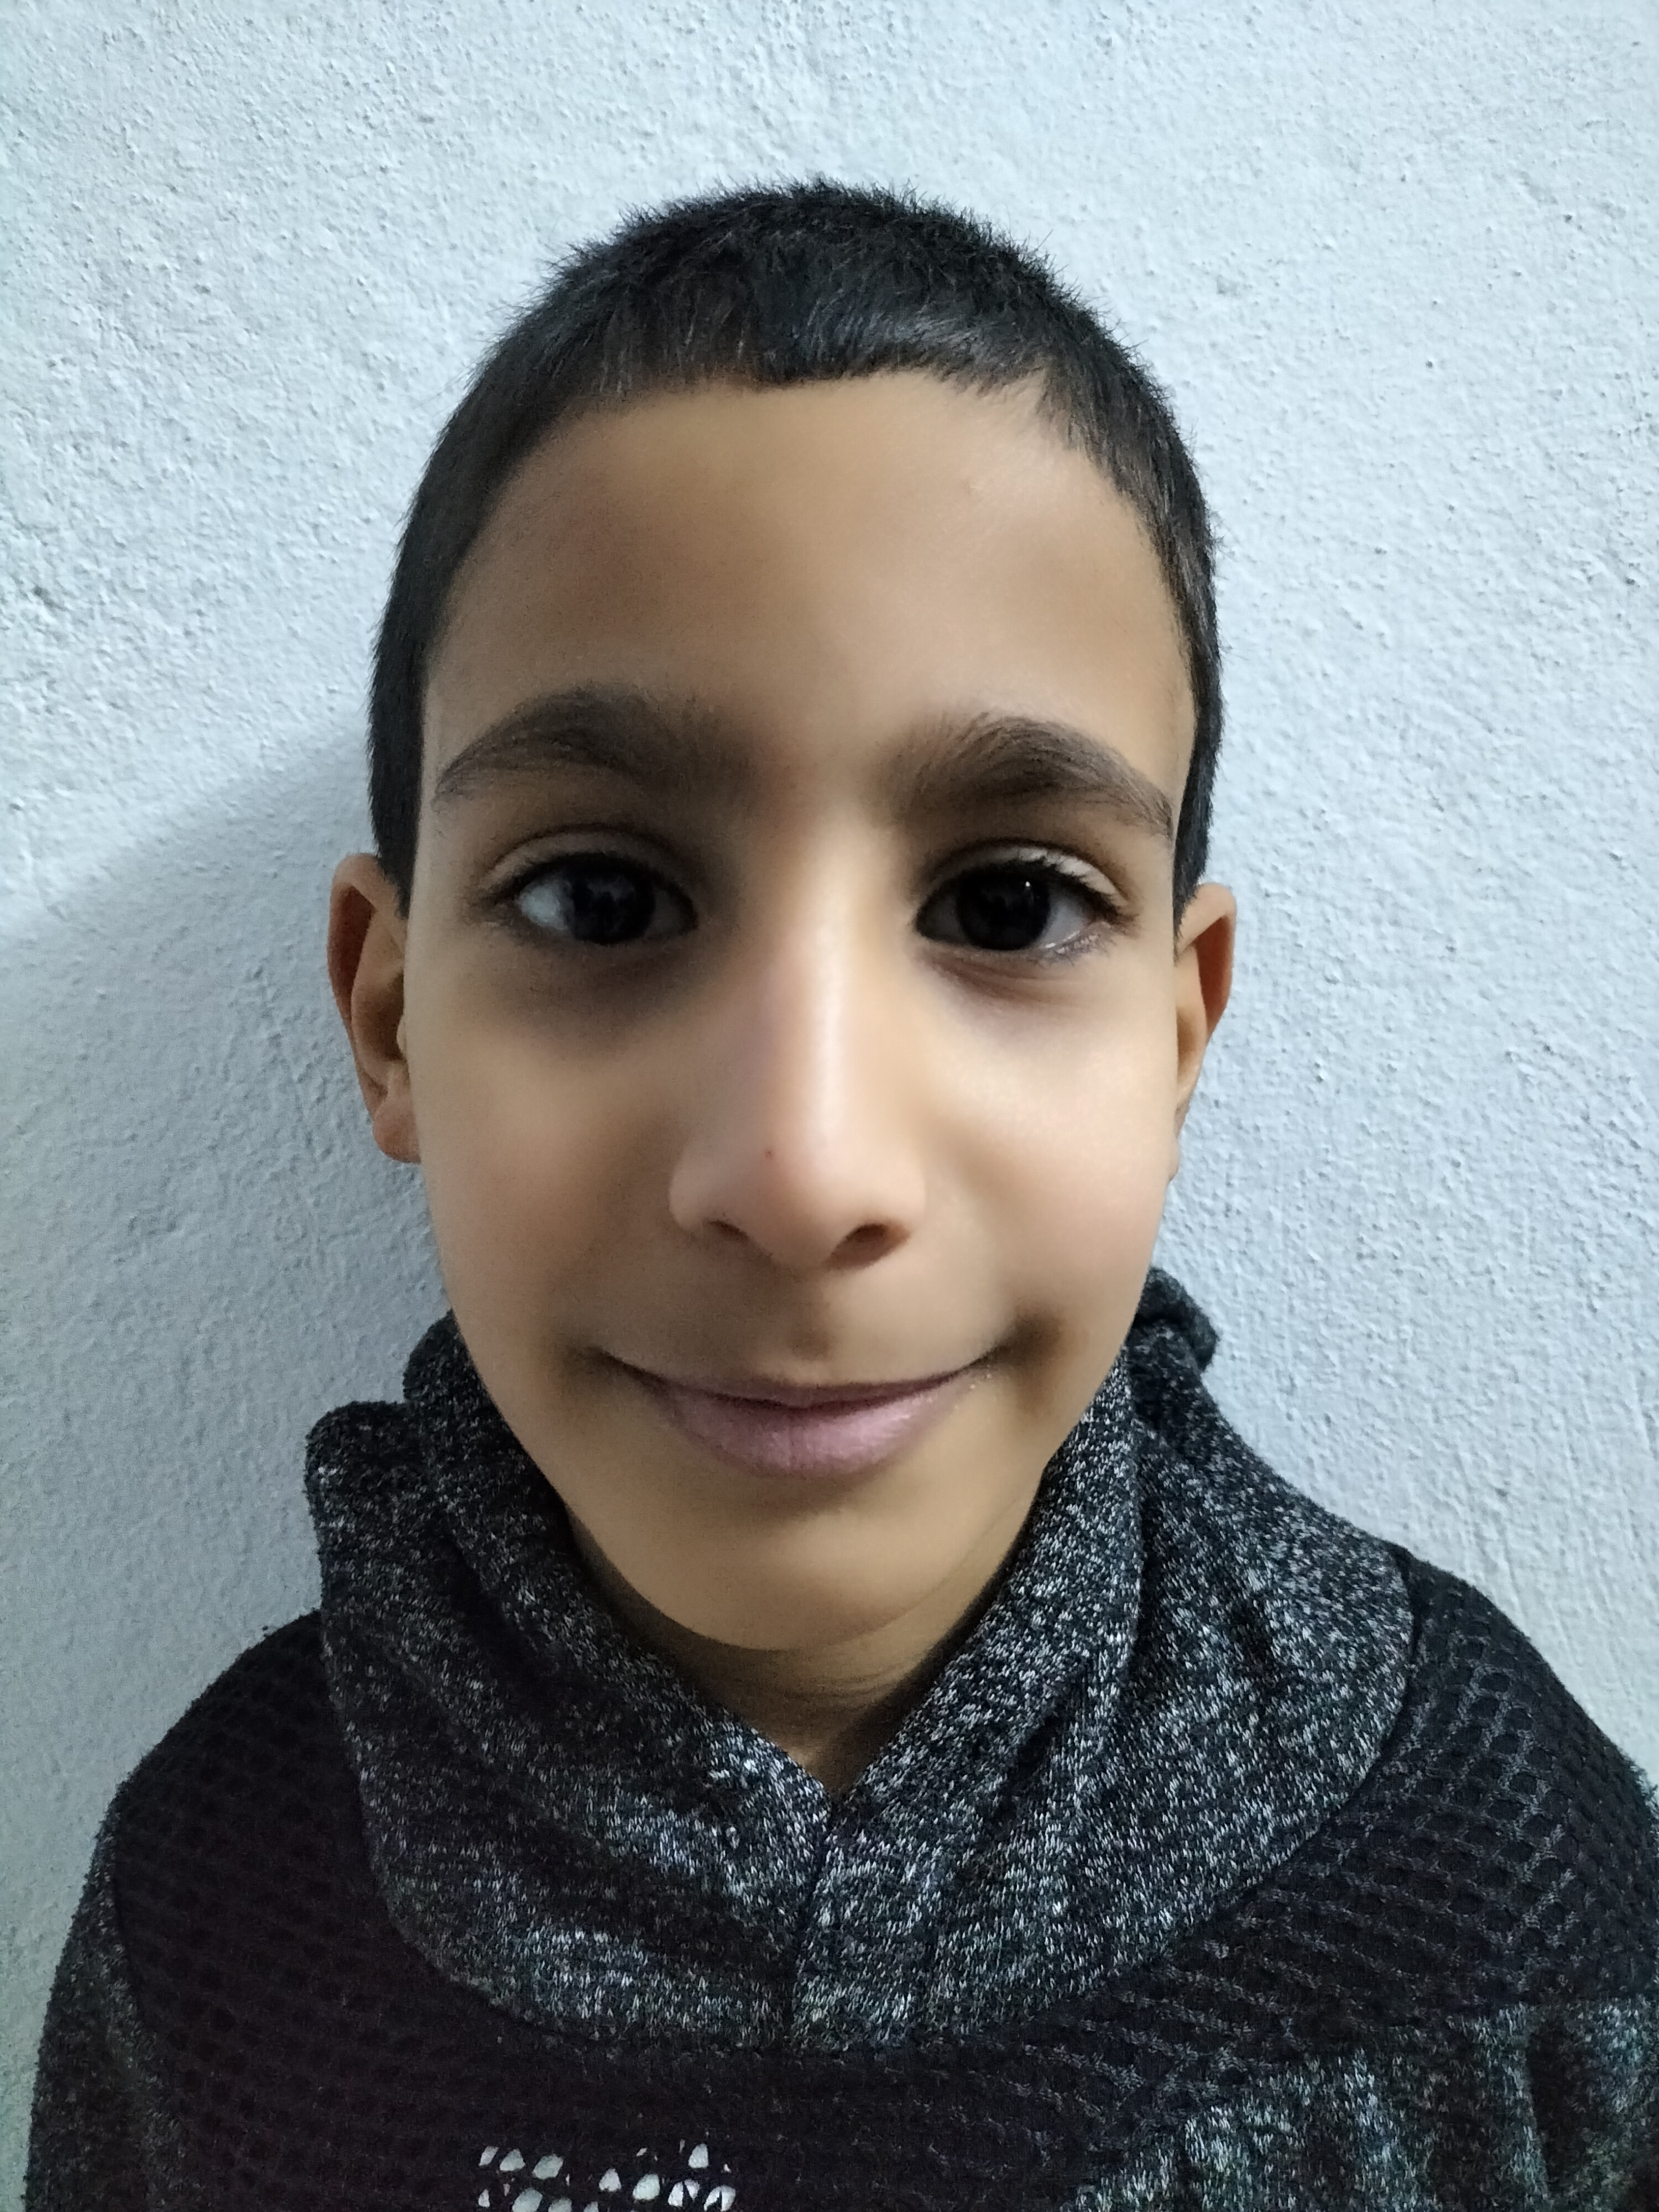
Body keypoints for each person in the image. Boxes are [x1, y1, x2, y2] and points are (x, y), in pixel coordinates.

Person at [27, 181, 1657, 2212]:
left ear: (1177, 1039)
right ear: (390, 1017)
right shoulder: (210, 1900)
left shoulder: (1505, 1877)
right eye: (601, 899)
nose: (804, 1176)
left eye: (1007, 907)